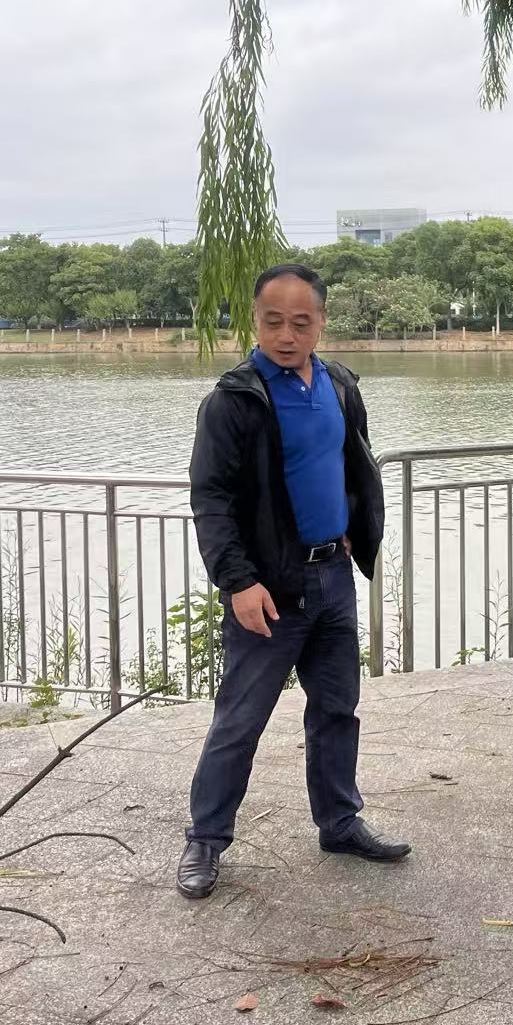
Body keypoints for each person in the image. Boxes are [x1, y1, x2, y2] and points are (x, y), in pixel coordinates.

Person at [176, 263, 409, 901]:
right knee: (240, 719)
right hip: (270, 589)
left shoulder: (339, 384)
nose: (286, 335)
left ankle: (339, 823)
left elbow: (353, 463)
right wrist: (237, 582)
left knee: (336, 709)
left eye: (300, 323)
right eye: (273, 321)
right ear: (254, 321)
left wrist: (356, 530)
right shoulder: (234, 400)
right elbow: (212, 500)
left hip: (333, 576)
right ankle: (206, 838)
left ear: (321, 323)